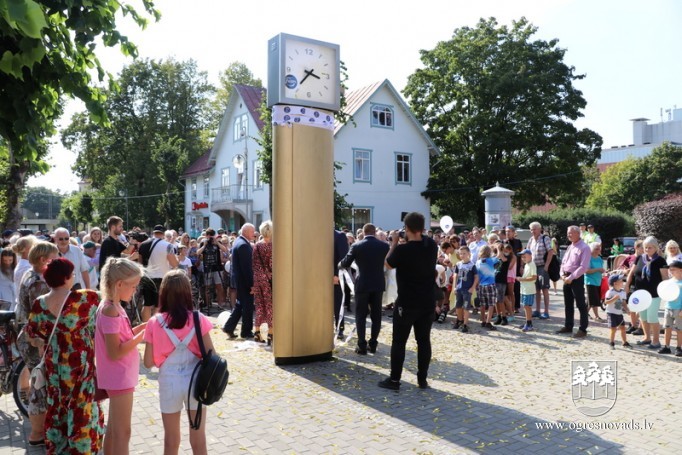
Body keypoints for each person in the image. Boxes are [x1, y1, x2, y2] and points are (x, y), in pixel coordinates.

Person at [25, 258, 104, 453]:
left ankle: (60, 447)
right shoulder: (87, 298)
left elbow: (31, 335)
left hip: (55, 364)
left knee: (58, 403)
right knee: (82, 404)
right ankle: (82, 447)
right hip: (80, 363)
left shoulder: (39, 303)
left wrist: (42, 342)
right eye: (73, 274)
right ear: (67, 277)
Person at [143, 270, 213, 455]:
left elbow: (148, 362)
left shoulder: (154, 322)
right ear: (187, 292)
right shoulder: (198, 318)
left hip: (169, 382)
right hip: (196, 381)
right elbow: (211, 354)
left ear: (164, 293)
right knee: (198, 440)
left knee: (171, 441)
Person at [378, 212, 438, 390]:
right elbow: (422, 241)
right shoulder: (431, 245)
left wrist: (394, 243)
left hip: (407, 302)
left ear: (407, 228)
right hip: (427, 301)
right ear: (422, 228)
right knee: (424, 341)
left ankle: (394, 380)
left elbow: (387, 264)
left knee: (399, 342)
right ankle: (422, 379)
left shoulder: (402, 250)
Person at [96, 257, 147, 455]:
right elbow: (115, 351)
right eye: (133, 286)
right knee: (123, 432)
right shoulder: (111, 310)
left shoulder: (113, 306)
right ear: (119, 284)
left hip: (119, 376)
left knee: (114, 429)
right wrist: (142, 336)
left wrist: (142, 328)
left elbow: (122, 337)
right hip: (119, 377)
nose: (135, 290)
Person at [16, 241, 58, 446]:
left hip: (32, 337)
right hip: (35, 340)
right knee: (40, 389)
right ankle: (38, 433)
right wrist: (41, 342)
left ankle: (39, 432)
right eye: (55, 258)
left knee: (38, 386)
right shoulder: (38, 283)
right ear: (44, 260)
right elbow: (40, 316)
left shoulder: (31, 274)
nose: (58, 261)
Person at [339, 223, 390, 354]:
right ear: (374, 232)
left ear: (363, 232)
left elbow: (346, 262)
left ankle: (361, 345)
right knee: (376, 316)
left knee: (360, 315)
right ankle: (373, 343)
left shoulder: (357, 245)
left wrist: (339, 265)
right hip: (378, 284)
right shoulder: (384, 246)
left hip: (362, 284)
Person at [628, 236, 668, 349]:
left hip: (654, 294)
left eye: (650, 247)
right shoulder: (640, 258)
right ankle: (647, 338)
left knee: (652, 317)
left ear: (655, 248)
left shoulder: (660, 260)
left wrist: (666, 292)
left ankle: (656, 341)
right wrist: (627, 285)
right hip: (640, 293)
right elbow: (632, 272)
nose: (647, 249)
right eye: (646, 247)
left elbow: (665, 277)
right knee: (643, 317)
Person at [556, 225, 591, 338]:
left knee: (580, 304)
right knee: (568, 304)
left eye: (571, 232)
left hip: (576, 278)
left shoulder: (584, 247)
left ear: (578, 233)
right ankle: (568, 326)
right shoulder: (570, 247)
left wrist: (571, 278)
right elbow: (563, 263)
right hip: (566, 278)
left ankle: (583, 329)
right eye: (568, 233)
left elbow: (583, 267)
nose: (568, 235)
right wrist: (562, 274)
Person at [138, 225, 179, 321]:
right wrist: (178, 259)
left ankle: (145, 326)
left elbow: (140, 263)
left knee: (147, 304)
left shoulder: (143, 244)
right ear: (163, 233)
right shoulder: (168, 245)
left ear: (154, 232)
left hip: (147, 277)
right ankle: (156, 325)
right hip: (161, 278)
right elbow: (174, 264)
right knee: (158, 305)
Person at [222, 223, 256, 339]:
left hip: (240, 280)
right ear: (246, 232)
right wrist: (252, 284)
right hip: (244, 281)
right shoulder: (243, 245)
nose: (254, 234)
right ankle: (246, 331)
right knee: (247, 306)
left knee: (240, 305)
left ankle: (229, 327)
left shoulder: (239, 242)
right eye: (252, 231)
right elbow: (247, 268)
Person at [196, 228, 228, 309]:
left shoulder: (217, 242)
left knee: (219, 286)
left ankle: (220, 304)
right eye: (209, 235)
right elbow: (198, 253)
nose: (210, 237)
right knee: (207, 287)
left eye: (212, 235)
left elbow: (224, 250)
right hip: (207, 267)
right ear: (206, 235)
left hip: (217, 267)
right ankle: (208, 305)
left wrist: (217, 242)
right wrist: (204, 245)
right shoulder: (203, 242)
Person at [527, 222, 553, 319]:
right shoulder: (531, 240)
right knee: (536, 290)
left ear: (539, 229)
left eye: (534, 229)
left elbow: (550, 251)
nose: (532, 231)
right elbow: (527, 252)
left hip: (542, 267)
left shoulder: (545, 238)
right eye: (531, 229)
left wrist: (546, 265)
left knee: (544, 289)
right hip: (533, 267)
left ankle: (546, 311)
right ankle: (537, 310)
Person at [252, 220, 273, 344]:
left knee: (259, 305)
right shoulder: (273, 246)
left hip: (258, 279)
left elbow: (254, 264)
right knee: (270, 307)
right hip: (270, 280)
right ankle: (271, 334)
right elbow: (272, 264)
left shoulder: (257, 246)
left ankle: (257, 332)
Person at [451, 246, 478, 333]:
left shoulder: (472, 265)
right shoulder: (458, 264)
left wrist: (472, 288)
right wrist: (454, 287)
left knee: (466, 307)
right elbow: (455, 276)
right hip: (459, 288)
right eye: (461, 253)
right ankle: (459, 320)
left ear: (469, 254)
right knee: (458, 306)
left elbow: (476, 277)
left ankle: (465, 324)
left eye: (464, 253)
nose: (462, 255)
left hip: (467, 289)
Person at [475, 245, 502, 330]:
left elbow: (477, 275)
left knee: (482, 304)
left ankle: (483, 320)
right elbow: (499, 256)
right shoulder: (491, 260)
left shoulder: (478, 262)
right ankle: (488, 322)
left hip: (481, 285)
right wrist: (498, 248)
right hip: (490, 284)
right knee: (491, 304)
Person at [659, 260, 682, 356]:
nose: (671, 271)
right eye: (670, 270)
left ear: (680, 270)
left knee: (679, 329)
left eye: (673, 269)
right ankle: (666, 346)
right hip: (668, 307)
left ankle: (679, 347)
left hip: (679, 309)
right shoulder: (669, 282)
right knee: (667, 328)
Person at [603, 274, 632, 349]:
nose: (623, 282)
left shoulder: (623, 292)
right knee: (613, 329)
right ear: (615, 283)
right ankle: (611, 343)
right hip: (611, 313)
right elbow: (606, 302)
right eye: (621, 281)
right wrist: (614, 298)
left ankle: (624, 343)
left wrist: (627, 310)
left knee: (623, 328)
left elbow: (624, 303)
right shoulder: (610, 292)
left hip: (619, 313)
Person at [333, 229, 350, 339]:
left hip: (335, 277)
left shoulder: (339, 236)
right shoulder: (317, 234)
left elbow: (343, 258)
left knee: (337, 304)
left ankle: (340, 329)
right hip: (318, 277)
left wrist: (336, 274)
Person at [12, 235, 36, 310]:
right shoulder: (26, 267)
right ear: (26, 249)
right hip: (26, 309)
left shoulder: (25, 264)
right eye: (33, 246)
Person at [516, 249, 537, 332]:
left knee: (527, 306)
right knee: (526, 306)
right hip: (525, 289)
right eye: (522, 257)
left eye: (525, 256)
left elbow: (534, 277)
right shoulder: (527, 265)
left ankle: (529, 324)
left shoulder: (532, 264)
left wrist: (522, 279)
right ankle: (528, 322)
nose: (523, 258)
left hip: (529, 289)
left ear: (530, 256)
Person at [585, 242, 606, 322]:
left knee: (590, 300)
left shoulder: (600, 258)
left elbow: (601, 269)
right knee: (594, 300)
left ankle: (584, 314)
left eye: (599, 249)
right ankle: (597, 317)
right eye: (596, 249)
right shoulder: (588, 258)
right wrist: (598, 269)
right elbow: (586, 271)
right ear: (592, 249)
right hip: (590, 281)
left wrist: (604, 272)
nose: (598, 250)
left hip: (598, 281)